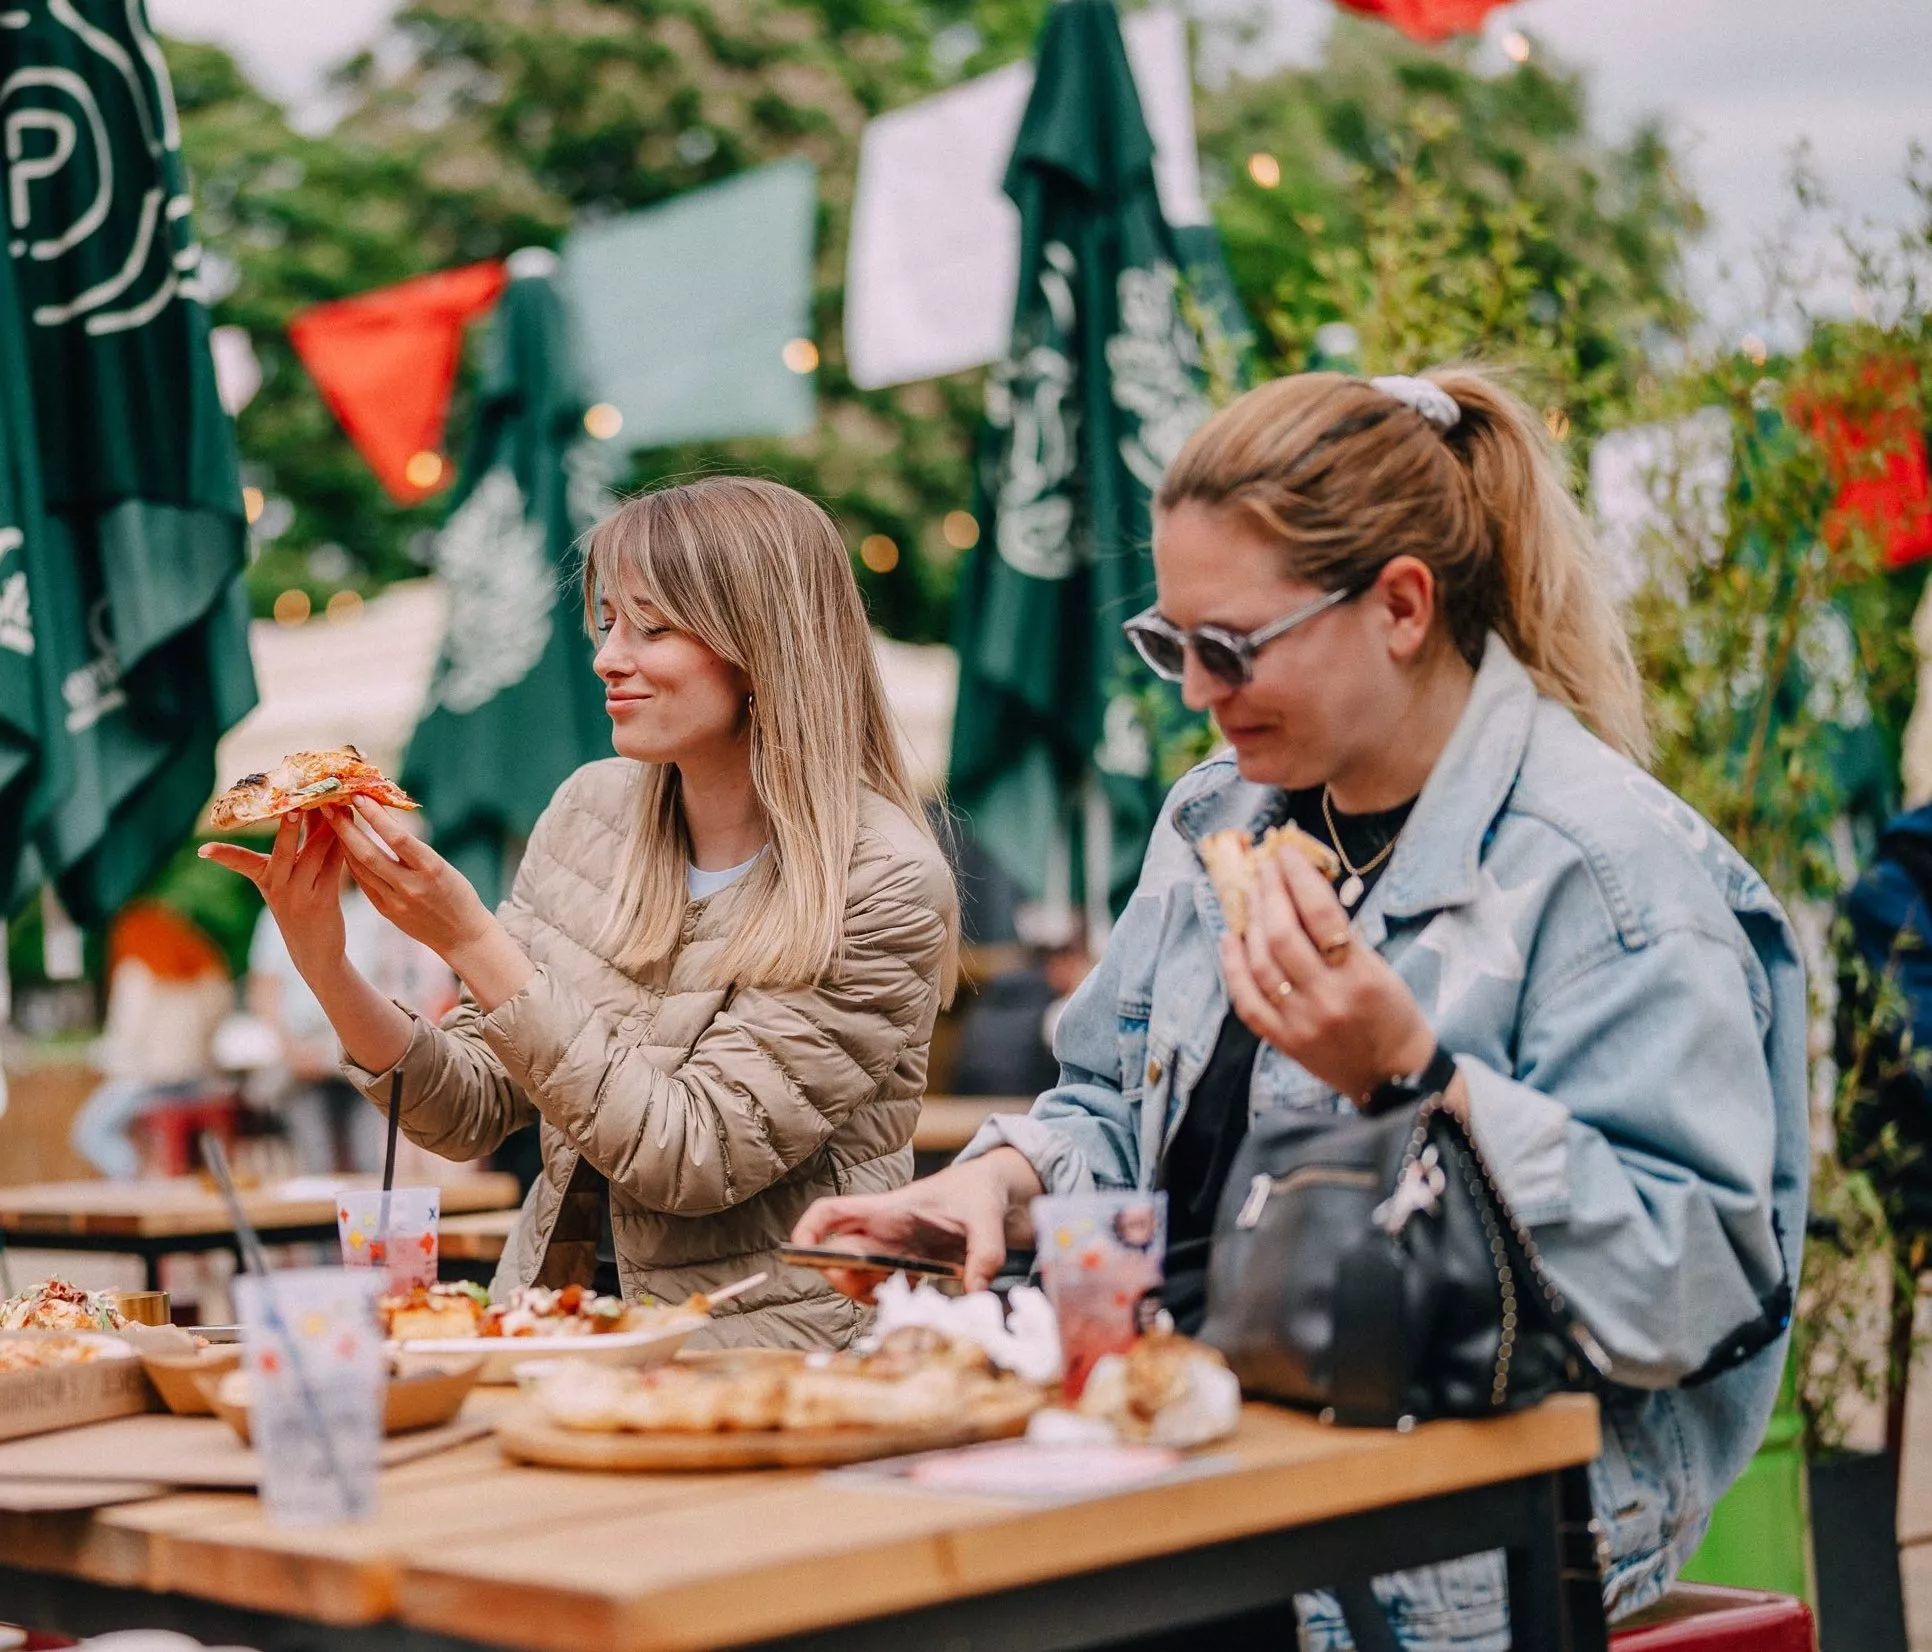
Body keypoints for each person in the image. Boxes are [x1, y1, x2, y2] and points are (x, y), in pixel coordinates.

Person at [794, 369, 1807, 1646]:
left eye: (1231, 646)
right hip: (1172, 1476)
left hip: (1439, 1551)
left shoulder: (1606, 872)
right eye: (1172, 643)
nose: (1195, 689)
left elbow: (1694, 1285)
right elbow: (1112, 1102)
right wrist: (998, 1186)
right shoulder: (1212, 815)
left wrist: (1412, 1074)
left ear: (1401, 606)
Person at [205, 477, 958, 1349]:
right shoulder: (590, 812)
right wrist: (324, 964)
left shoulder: (880, 881)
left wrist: (471, 938)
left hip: (764, 1361)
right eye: (608, 621)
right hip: (557, 1327)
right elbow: (467, 1110)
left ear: (762, 648)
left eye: (654, 627)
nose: (607, 656)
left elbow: (692, 1155)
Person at [244, 865, 457, 1175]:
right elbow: (264, 990)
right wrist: (290, 1048)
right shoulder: (276, 913)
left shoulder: (372, 915)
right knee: (316, 1161)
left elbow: (390, 983)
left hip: (359, 1052)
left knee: (370, 1159)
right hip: (302, 1053)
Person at [70, 901, 234, 1179]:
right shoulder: (204, 974)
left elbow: (125, 1039)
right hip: (195, 1081)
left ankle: (133, 1177)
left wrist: (109, 1067)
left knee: (89, 1132)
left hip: (151, 1081)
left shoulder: (137, 971)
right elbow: (214, 1029)